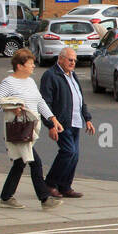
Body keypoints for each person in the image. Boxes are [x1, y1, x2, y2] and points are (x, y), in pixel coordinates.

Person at [0, 48, 63, 210]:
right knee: (35, 163)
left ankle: (6, 197)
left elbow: (40, 102)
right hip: (19, 129)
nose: (33, 66)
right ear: (20, 66)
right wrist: (11, 107)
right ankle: (44, 199)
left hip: (32, 129)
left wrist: (52, 118)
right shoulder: (8, 83)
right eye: (30, 64)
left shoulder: (29, 81)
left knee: (20, 163)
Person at [40, 47, 95, 198]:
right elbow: (45, 103)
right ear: (61, 59)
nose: (73, 63)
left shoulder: (72, 75)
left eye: (74, 61)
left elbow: (80, 99)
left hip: (76, 121)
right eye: (70, 60)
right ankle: (50, 183)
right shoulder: (50, 76)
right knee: (68, 152)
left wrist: (87, 118)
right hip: (61, 123)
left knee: (74, 155)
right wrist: (50, 125)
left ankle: (65, 186)